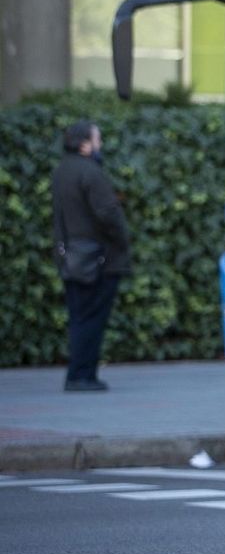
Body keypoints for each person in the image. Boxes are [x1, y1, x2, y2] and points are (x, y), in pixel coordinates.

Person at [52, 121, 131, 392]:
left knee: (79, 317)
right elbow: (108, 214)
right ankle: (83, 375)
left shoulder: (62, 170)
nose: (101, 145)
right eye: (97, 139)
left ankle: (77, 372)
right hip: (97, 259)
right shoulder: (90, 172)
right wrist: (122, 241)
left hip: (72, 258)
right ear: (85, 143)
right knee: (92, 319)